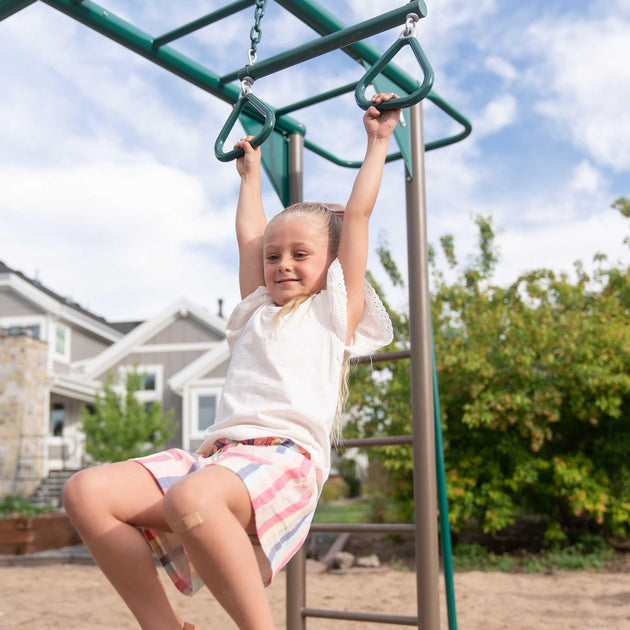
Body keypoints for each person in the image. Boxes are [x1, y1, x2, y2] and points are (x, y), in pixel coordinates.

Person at [62, 93, 400, 630]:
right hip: (219, 460)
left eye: (300, 255)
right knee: (86, 492)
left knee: (192, 496)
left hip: (283, 462)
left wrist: (378, 141)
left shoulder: (332, 314)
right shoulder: (254, 312)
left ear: (333, 264)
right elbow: (249, 237)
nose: (282, 264)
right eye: (274, 256)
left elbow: (357, 216)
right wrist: (249, 177)